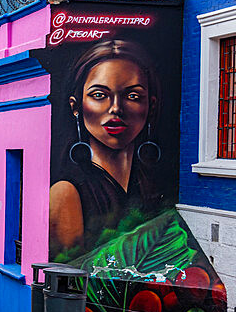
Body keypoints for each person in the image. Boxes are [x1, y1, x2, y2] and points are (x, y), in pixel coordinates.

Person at [48, 40, 166, 259]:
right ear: (76, 107)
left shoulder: (154, 184)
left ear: (151, 106)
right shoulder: (67, 193)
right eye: (99, 95)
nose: (116, 108)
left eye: (132, 96)